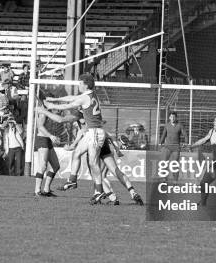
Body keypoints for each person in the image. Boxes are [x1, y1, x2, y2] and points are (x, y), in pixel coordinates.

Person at [38, 106, 144, 205]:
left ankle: (74, 181)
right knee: (113, 171)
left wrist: (45, 111)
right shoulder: (92, 116)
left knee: (92, 169)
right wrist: (116, 148)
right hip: (103, 142)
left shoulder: (80, 116)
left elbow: (63, 120)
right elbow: (105, 133)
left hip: (94, 144)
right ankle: (130, 192)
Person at [44, 73, 106, 204]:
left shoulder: (84, 98)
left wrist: (52, 106)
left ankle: (100, 192)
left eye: (80, 83)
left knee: (93, 163)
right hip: (91, 132)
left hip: (95, 132)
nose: (78, 85)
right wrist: (54, 100)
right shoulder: (90, 94)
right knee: (76, 153)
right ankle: (72, 181)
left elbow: (69, 105)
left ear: (85, 84)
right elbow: (71, 98)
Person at [33, 93, 61, 196]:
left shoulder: (47, 110)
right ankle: (37, 191)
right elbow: (40, 127)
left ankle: (46, 190)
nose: (52, 103)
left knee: (56, 166)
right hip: (42, 140)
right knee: (43, 166)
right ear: (44, 101)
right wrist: (51, 136)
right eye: (50, 101)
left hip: (48, 140)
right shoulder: (43, 112)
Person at [159, 112, 184, 181]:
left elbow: (185, 134)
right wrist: (160, 143)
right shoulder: (167, 125)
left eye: (174, 117)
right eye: (171, 117)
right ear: (169, 118)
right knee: (164, 162)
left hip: (176, 148)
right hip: (167, 147)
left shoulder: (180, 125)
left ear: (176, 118)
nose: (172, 118)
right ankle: (164, 179)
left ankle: (175, 180)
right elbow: (164, 134)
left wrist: (186, 142)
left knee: (174, 164)